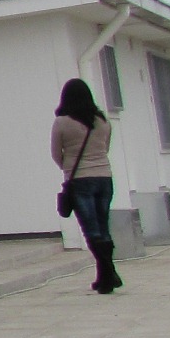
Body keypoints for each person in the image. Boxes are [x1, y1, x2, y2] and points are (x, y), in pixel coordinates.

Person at [52, 78, 119, 294]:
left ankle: (108, 274)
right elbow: (106, 148)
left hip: (80, 180)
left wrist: (69, 168)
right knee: (103, 226)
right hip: (105, 178)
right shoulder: (103, 121)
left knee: (91, 230)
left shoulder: (62, 122)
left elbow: (56, 153)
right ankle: (105, 275)